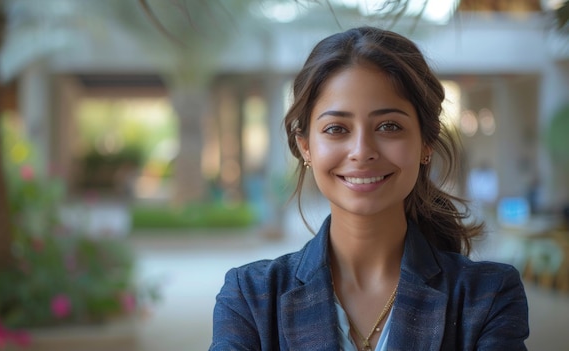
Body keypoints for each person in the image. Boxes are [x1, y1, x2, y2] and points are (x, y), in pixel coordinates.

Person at [210, 26, 529, 351]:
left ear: (426, 144)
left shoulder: (487, 296)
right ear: (306, 147)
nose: (361, 150)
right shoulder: (251, 297)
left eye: (389, 126)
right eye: (336, 129)